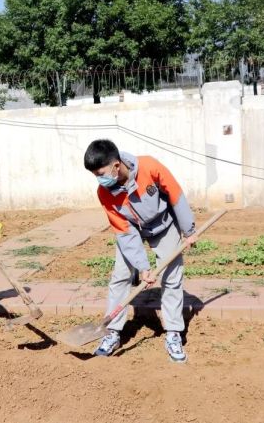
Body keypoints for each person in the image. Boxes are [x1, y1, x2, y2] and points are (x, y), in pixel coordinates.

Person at [83, 139, 197, 362]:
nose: (99, 179)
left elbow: (175, 194)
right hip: (132, 231)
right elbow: (124, 231)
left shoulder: (149, 167)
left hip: (163, 225)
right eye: (95, 175)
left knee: (171, 277)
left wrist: (189, 229)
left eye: (101, 172)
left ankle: (173, 332)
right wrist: (142, 267)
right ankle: (112, 332)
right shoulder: (104, 192)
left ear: (116, 166)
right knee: (120, 277)